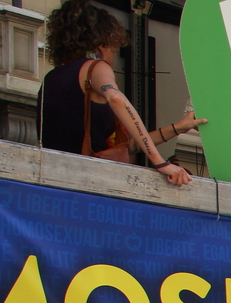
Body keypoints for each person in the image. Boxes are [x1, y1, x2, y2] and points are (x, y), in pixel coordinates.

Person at [39, 0, 204, 185]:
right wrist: (160, 162)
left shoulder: (51, 78)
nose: (113, 55)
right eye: (114, 48)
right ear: (103, 43)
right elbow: (116, 98)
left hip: (54, 174)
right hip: (87, 179)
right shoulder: (96, 67)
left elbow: (128, 147)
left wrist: (177, 128)